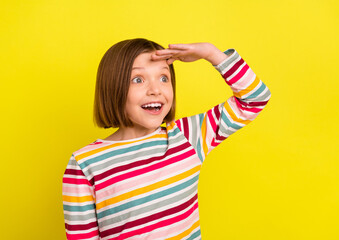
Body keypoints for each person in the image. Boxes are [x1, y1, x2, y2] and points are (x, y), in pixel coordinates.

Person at [62, 38, 271, 240]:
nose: (156, 90)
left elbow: (255, 98)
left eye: (164, 78)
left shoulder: (187, 136)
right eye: (138, 79)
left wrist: (211, 53)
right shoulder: (85, 164)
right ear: (113, 88)